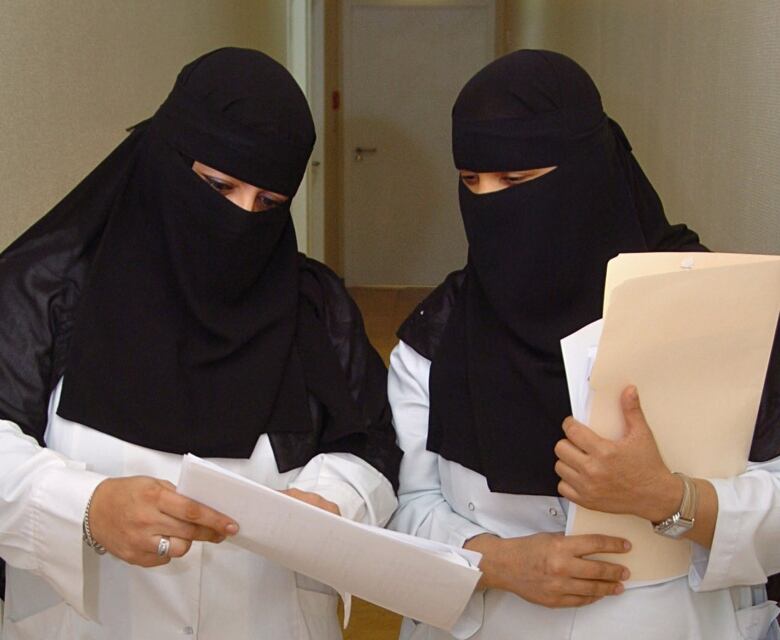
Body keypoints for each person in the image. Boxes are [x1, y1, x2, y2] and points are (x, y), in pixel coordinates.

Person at [0, 48, 401, 639]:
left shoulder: (313, 303)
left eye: (268, 204)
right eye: (218, 185)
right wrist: (86, 507)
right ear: (164, 158)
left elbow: (370, 442)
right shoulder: (49, 284)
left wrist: (332, 503)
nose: (240, 219)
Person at [388, 49, 780, 640]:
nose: (490, 203)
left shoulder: (714, 307)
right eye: (472, 182)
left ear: (584, 172)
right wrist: (494, 561)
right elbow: (409, 503)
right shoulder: (440, 333)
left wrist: (671, 498)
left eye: (515, 181)